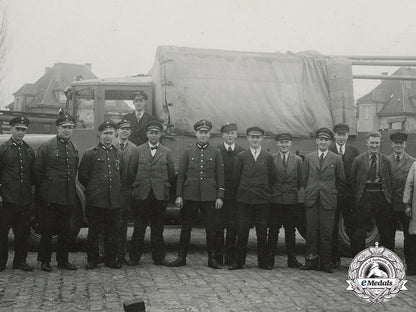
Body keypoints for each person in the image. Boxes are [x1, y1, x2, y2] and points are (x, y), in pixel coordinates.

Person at [169, 120, 225, 269]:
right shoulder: (188, 151)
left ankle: (212, 259)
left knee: (210, 229)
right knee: (186, 227)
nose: (203, 135)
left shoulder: (216, 152)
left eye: (206, 133)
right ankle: (181, 258)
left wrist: (219, 196)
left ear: (209, 134)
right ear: (196, 134)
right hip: (190, 195)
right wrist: (179, 195)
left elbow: (220, 176)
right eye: (201, 132)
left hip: (209, 196)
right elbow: (181, 175)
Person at [34, 114, 79, 272]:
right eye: (64, 127)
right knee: (47, 231)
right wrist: (46, 191)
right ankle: (44, 261)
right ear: (58, 128)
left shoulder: (72, 147)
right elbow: (37, 172)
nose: (67, 130)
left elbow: (74, 170)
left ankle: (63, 260)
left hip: (67, 197)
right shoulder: (47, 147)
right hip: (50, 197)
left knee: (65, 231)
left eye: (70, 127)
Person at [128, 120, 175, 266]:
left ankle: (159, 257)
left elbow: (171, 174)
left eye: (156, 133)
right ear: (146, 134)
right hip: (142, 195)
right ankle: (134, 257)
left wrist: (164, 188)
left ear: (161, 134)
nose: (154, 136)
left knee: (158, 228)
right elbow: (131, 172)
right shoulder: (138, 150)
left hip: (159, 195)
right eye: (151, 133)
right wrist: (137, 187)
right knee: (139, 227)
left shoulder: (166, 152)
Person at [230, 126, 276, 270]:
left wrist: (264, 193)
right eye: (252, 137)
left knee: (262, 232)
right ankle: (238, 262)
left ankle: (263, 262)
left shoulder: (268, 157)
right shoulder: (242, 156)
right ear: (248, 138)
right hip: (245, 200)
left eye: (257, 137)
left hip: (262, 200)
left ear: (261, 139)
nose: (255, 140)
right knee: (242, 231)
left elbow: (272, 178)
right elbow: (235, 178)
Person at [79, 120, 122, 269]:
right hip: (97, 200)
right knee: (94, 231)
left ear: (115, 135)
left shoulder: (118, 153)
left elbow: (120, 174)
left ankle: (111, 259)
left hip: (113, 200)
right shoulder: (90, 153)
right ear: (100, 135)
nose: (108, 137)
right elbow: (83, 176)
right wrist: (94, 190)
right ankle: (92, 259)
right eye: (105, 133)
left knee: (112, 231)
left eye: (111, 133)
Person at [301, 127, 345, 273]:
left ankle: (326, 264)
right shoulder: (309, 157)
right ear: (316, 141)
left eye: (326, 140)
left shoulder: (336, 158)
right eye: (320, 139)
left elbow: (341, 180)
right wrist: (311, 190)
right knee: (311, 232)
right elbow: (304, 179)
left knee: (327, 232)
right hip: (312, 199)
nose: (323, 142)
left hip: (328, 200)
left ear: (330, 142)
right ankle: (311, 262)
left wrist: (331, 192)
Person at [350, 131, 393, 256]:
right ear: (367, 143)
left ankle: (386, 260)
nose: (374, 146)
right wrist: (358, 198)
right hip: (365, 197)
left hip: (381, 197)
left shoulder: (386, 160)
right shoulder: (358, 160)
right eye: (372, 143)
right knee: (360, 232)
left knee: (385, 231)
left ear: (380, 144)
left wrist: (387, 199)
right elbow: (352, 181)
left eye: (377, 143)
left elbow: (390, 180)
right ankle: (359, 260)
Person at [0, 117, 35, 272]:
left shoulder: (28, 150)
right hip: (6, 200)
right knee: (2, 233)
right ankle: (1, 262)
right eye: (17, 129)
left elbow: (32, 176)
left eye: (23, 130)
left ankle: (20, 262)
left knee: (23, 233)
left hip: (24, 200)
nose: (20, 132)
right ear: (11, 129)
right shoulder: (3, 149)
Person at [269, 132, 303, 268]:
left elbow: (300, 181)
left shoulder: (298, 160)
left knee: (290, 230)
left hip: (291, 200)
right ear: (277, 144)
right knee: (273, 230)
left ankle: (292, 259)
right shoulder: (272, 159)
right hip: (275, 199)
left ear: (290, 144)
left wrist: (290, 192)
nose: (284, 145)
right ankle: (270, 259)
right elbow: (270, 178)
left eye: (286, 142)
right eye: (281, 142)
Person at [214, 123, 245, 265]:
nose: (230, 136)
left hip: (235, 195)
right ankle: (218, 257)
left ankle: (230, 257)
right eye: (227, 134)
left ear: (236, 135)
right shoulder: (217, 151)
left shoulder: (242, 152)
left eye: (232, 133)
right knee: (219, 227)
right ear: (223, 136)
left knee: (233, 227)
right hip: (220, 195)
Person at [329, 123, 359, 268]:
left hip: (349, 196)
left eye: (344, 134)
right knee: (333, 227)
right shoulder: (329, 150)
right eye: (339, 134)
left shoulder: (354, 151)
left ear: (347, 136)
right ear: (334, 135)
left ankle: (355, 259)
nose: (341, 137)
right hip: (333, 195)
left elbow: (358, 174)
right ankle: (334, 259)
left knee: (351, 227)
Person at [389, 132, 416, 276]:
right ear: (392, 144)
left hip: (406, 207)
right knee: (388, 237)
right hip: (390, 205)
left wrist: (409, 205)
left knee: (409, 237)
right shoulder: (386, 160)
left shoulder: (412, 162)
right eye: (396, 143)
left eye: (401, 143)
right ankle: (391, 266)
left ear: (405, 145)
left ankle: (411, 266)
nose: (398, 145)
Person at [113, 118, 136, 265]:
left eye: (128, 129)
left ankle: (121, 254)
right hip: (111, 190)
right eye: (122, 129)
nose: (125, 131)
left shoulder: (134, 148)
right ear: (117, 131)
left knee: (122, 224)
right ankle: (107, 253)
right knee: (109, 223)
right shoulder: (111, 144)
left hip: (126, 190)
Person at [403, 159, 416, 276]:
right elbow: (409, 185)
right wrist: (407, 204)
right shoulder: (415, 165)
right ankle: (412, 267)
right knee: (413, 238)